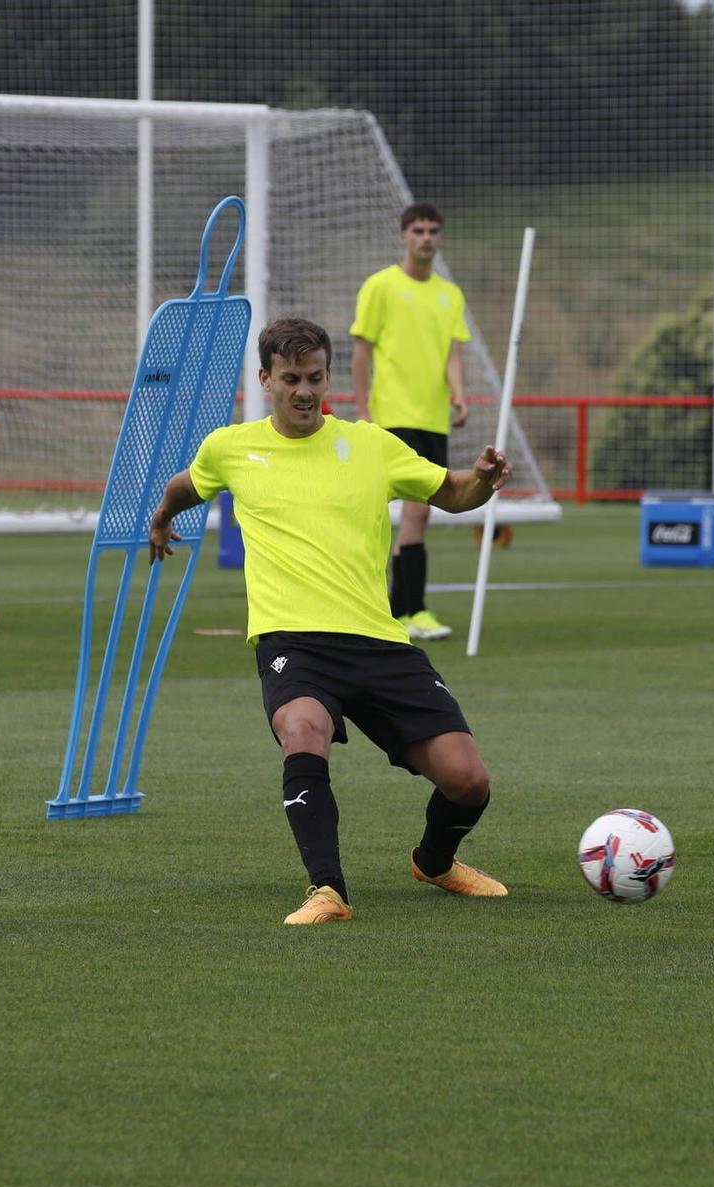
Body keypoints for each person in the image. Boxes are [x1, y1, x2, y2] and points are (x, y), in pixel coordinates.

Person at [148, 318, 510, 925]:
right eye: (290, 378)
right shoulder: (231, 447)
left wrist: (484, 482)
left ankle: (435, 860)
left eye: (315, 377)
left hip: (379, 642)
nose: (304, 391)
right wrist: (161, 517)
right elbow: (190, 483)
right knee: (302, 727)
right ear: (266, 380)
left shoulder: (371, 444)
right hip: (294, 641)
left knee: (469, 780)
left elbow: (452, 493)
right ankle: (327, 891)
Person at [351, 202, 471, 642]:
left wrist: (459, 394)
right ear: (404, 236)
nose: (426, 238)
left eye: (433, 231)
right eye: (418, 230)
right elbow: (361, 350)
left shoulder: (448, 294)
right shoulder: (381, 286)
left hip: (432, 417)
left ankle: (407, 609)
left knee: (421, 514)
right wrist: (363, 409)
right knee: (380, 511)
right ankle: (385, 606)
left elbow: (453, 352)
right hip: (391, 415)